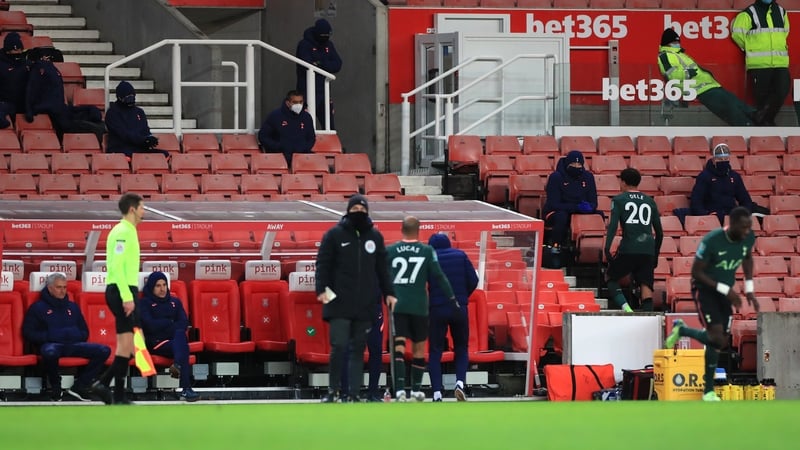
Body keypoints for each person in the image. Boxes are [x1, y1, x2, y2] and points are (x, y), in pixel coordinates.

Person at [665, 207, 758, 401]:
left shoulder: (748, 238)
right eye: (743, 228)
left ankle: (683, 330)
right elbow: (696, 272)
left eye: (749, 227)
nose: (747, 232)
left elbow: (747, 258)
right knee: (716, 336)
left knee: (720, 342)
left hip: (725, 292)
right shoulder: (712, 241)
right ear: (731, 225)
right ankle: (708, 391)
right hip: (704, 289)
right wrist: (727, 290)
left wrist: (749, 289)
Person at [315, 194, 397, 403]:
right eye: (355, 209)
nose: (358, 212)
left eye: (362, 209)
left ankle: (353, 393)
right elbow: (323, 265)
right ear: (348, 210)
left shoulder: (375, 238)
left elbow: (382, 270)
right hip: (339, 303)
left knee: (358, 350)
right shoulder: (334, 235)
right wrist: (322, 291)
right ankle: (333, 391)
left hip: (365, 304)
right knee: (340, 346)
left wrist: (389, 293)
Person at [387, 217, 456, 402]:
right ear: (418, 231)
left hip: (399, 304)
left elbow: (380, 274)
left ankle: (400, 390)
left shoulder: (391, 250)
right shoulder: (427, 251)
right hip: (419, 305)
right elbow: (440, 277)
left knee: (399, 346)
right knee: (419, 347)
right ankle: (416, 390)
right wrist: (451, 297)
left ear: (401, 230)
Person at [89, 193, 144, 405]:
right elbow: (117, 268)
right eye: (141, 207)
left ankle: (116, 394)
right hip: (122, 291)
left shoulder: (129, 231)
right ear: (132, 209)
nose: (143, 211)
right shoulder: (122, 232)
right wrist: (127, 296)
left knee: (127, 347)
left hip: (125, 290)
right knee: (128, 346)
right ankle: (102, 384)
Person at [22, 273, 111, 402]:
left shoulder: (72, 307)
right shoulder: (37, 308)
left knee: (104, 350)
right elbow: (29, 333)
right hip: (52, 344)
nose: (63, 290)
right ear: (50, 288)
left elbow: (84, 332)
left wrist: (74, 335)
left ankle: (79, 387)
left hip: (73, 344)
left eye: (64, 287)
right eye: (59, 287)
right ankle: (56, 388)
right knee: (49, 352)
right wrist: (51, 336)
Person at [657, 28, 757, 127]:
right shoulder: (665, 55)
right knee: (728, 108)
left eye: (677, 41)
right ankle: (748, 126)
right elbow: (672, 75)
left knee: (733, 101)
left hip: (708, 86)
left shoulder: (679, 54)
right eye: (674, 42)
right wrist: (688, 73)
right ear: (667, 43)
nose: (677, 43)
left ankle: (756, 116)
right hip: (698, 89)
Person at [603, 168, 664, 313]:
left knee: (610, 277)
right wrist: (655, 254)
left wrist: (607, 247)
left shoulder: (618, 200)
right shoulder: (650, 201)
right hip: (648, 248)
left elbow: (612, 226)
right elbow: (660, 233)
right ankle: (648, 315)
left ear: (623, 182)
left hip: (629, 246)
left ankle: (627, 309)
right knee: (646, 284)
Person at [428, 233, 478, 402]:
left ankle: (436, 392)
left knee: (435, 350)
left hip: (437, 309)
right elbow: (474, 279)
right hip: (459, 308)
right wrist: (463, 298)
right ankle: (459, 383)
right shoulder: (461, 255)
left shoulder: (431, 258)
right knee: (461, 348)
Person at [140, 271, 199, 402]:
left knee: (180, 337)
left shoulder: (175, 302)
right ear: (151, 287)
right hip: (156, 342)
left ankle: (178, 366)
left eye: (164, 285)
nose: (162, 289)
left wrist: (166, 327)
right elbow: (150, 326)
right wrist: (169, 323)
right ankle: (186, 389)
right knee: (182, 344)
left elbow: (184, 323)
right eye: (158, 286)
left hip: (173, 341)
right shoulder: (145, 303)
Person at [25, 48, 105, 142]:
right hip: (55, 111)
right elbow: (31, 90)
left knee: (80, 117)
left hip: (57, 109)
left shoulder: (47, 69)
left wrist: (30, 110)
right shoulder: (46, 70)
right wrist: (29, 110)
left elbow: (31, 90)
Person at [732, 0, 791, 126]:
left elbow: (785, 32)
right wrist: (751, 48)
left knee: (782, 90)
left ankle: (760, 118)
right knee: (762, 98)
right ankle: (766, 123)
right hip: (759, 64)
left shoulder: (781, 11)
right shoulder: (749, 13)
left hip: (780, 62)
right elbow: (737, 34)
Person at [542, 150, 598, 248]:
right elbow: (553, 204)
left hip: (580, 211)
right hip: (557, 211)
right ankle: (556, 247)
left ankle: (595, 248)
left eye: (578, 165)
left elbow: (593, 201)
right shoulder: (556, 177)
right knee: (561, 217)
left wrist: (590, 207)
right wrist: (575, 207)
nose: (576, 167)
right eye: (573, 164)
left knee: (598, 215)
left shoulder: (588, 177)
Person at [295, 18, 342, 129]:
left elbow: (338, 64)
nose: (325, 39)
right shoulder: (304, 45)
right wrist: (325, 65)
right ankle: (304, 145)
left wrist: (320, 63)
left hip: (324, 91)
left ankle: (331, 146)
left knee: (329, 125)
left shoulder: (329, 45)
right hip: (307, 91)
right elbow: (306, 64)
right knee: (305, 124)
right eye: (323, 36)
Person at [689, 143, 753, 223]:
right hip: (712, 217)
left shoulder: (734, 176)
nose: (723, 162)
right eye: (720, 159)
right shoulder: (704, 176)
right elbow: (696, 201)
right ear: (714, 159)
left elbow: (745, 199)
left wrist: (743, 213)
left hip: (731, 216)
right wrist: (706, 215)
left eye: (725, 159)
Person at [104, 80, 169, 159]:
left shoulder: (139, 112)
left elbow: (145, 130)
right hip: (120, 148)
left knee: (164, 155)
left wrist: (149, 139)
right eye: (127, 96)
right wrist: (142, 140)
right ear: (120, 97)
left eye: (132, 95)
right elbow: (123, 134)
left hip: (139, 148)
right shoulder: (112, 113)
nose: (131, 98)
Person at [257, 90, 316, 168]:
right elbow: (263, 136)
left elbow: (311, 138)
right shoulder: (275, 116)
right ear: (287, 103)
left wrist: (303, 148)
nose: (298, 105)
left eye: (300, 102)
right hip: (279, 157)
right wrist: (278, 147)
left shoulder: (307, 117)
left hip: (301, 157)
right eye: (295, 102)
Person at [0, 32, 29, 128]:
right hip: (5, 103)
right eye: (14, 50)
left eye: (19, 50)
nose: (17, 53)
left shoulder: (26, 63)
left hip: (24, 104)